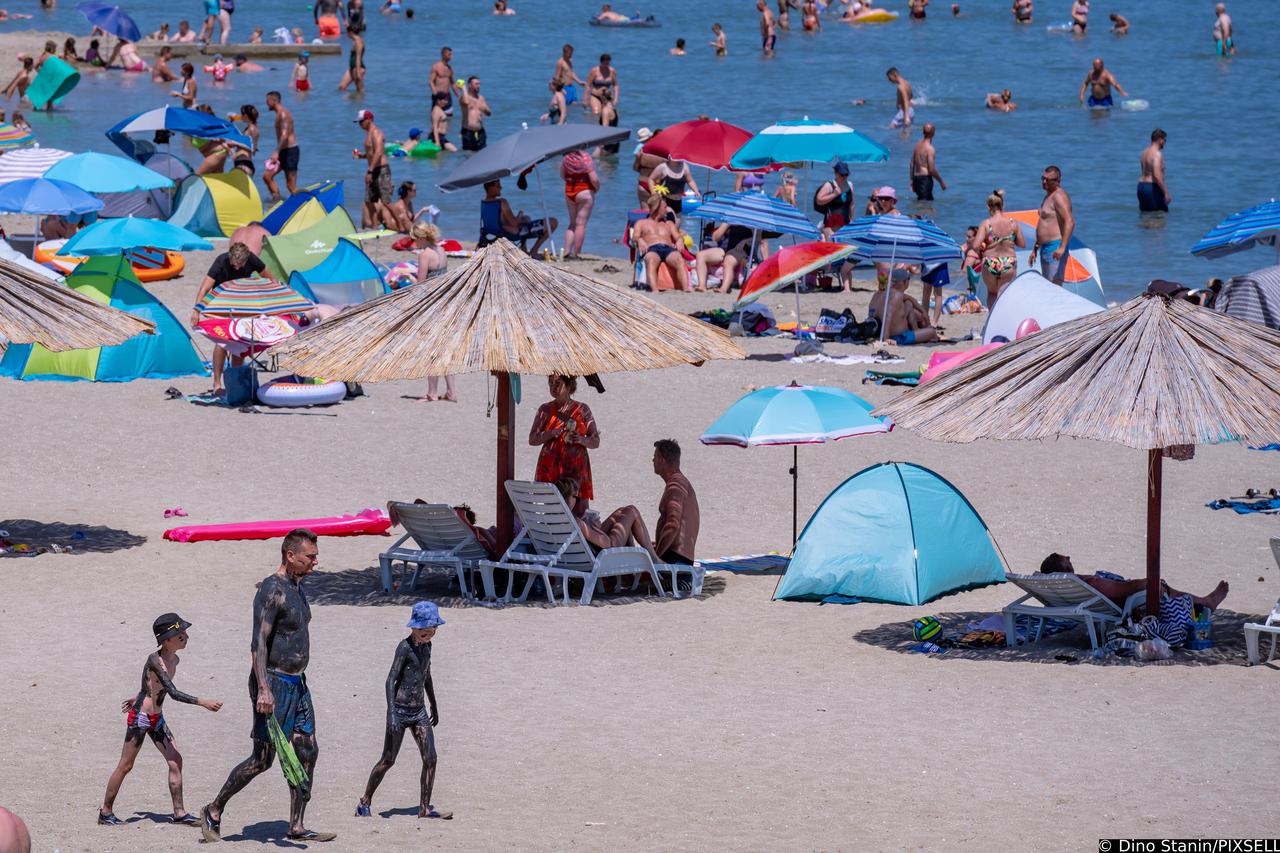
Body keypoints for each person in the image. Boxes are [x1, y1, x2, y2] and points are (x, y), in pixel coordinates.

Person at [201, 530, 336, 844]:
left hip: (298, 684)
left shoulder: (298, 587)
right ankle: (214, 809)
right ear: (290, 555)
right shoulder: (272, 590)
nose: (315, 561)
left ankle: (297, 825)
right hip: (272, 682)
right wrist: (263, 688)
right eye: (310, 557)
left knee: (307, 750)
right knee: (263, 759)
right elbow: (258, 643)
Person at [99, 614, 222, 827]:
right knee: (126, 765)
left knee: (176, 760)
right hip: (141, 718)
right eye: (180, 634)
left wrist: (139, 695)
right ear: (166, 641)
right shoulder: (155, 660)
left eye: (184, 632)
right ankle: (105, 812)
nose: (185, 636)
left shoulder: (175, 659)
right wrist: (202, 701)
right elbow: (172, 693)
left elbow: (150, 685)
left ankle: (179, 813)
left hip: (156, 718)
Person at [355, 602, 451, 821]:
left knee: (431, 758)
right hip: (399, 710)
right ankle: (365, 801)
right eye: (424, 629)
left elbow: (426, 675)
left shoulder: (427, 647)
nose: (429, 632)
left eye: (432, 628)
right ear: (414, 627)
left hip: (418, 711)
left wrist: (434, 703)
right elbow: (390, 680)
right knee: (388, 759)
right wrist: (391, 714)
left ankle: (424, 808)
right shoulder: (404, 647)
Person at [191, 242, 269, 393]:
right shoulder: (221, 261)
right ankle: (217, 383)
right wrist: (196, 310)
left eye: (241, 265)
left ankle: (235, 381)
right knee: (222, 342)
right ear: (230, 257)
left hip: (241, 301)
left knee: (238, 342)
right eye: (234, 264)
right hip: (220, 302)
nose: (237, 268)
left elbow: (269, 279)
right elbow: (205, 288)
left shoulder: (252, 260)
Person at [1038, 553, 1229, 611]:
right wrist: (1147, 583)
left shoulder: (1061, 587)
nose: (1071, 556)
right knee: (1160, 587)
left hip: (1084, 605)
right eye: (1066, 559)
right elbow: (1121, 589)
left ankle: (1199, 604)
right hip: (1120, 604)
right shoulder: (1088, 582)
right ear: (1066, 569)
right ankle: (1205, 602)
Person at [553, 477, 661, 565]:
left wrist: (589, 527)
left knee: (620, 512)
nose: (577, 501)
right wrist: (595, 528)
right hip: (603, 557)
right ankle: (654, 559)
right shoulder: (576, 522)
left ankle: (632, 573)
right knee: (631, 510)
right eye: (576, 497)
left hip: (575, 556)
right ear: (568, 497)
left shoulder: (552, 521)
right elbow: (608, 544)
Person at [532, 376, 600, 512]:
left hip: (576, 468)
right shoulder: (545, 410)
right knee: (551, 510)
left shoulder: (582, 409)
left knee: (580, 510)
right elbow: (533, 439)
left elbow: (595, 441)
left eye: (558, 383)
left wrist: (581, 439)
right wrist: (550, 433)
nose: (553, 387)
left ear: (569, 386)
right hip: (551, 468)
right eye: (550, 383)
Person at [967, 188, 1024, 309]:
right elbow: (1022, 243)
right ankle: (1002, 320)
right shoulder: (1013, 223)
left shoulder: (986, 224)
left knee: (992, 293)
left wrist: (984, 245)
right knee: (1004, 295)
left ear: (988, 206)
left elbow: (975, 245)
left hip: (990, 262)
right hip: (1008, 262)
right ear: (1003, 205)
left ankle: (991, 321)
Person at [652, 439, 699, 566]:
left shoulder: (676, 486)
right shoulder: (680, 483)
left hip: (675, 560)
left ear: (662, 460)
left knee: (631, 514)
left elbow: (673, 524)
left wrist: (656, 556)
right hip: (680, 558)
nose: (652, 461)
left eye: (654, 457)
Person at [481, 179, 557, 255]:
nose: (501, 187)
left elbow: (499, 222)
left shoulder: (484, 203)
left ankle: (524, 249)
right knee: (553, 222)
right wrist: (521, 219)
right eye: (498, 185)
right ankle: (534, 250)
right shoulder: (501, 202)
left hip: (495, 234)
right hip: (512, 234)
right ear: (490, 188)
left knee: (526, 219)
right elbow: (514, 223)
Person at [634, 194, 689, 291]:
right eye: (664, 207)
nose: (667, 209)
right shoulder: (641, 223)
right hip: (651, 249)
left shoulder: (669, 224)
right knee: (652, 260)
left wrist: (680, 240)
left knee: (679, 259)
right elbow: (635, 237)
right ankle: (655, 290)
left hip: (668, 249)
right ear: (657, 208)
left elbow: (677, 236)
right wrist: (639, 239)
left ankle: (686, 289)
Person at [353, 109, 395, 231]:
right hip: (374, 169)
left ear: (369, 120)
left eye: (361, 122)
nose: (360, 125)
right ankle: (375, 227)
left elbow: (379, 152)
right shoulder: (369, 134)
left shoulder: (376, 133)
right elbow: (372, 153)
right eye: (358, 122)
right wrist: (362, 156)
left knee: (386, 201)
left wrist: (370, 171)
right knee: (369, 201)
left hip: (381, 170)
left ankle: (402, 227)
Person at [1032, 165, 1074, 284]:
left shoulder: (1059, 196)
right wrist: (1035, 248)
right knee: (1048, 286)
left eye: (1048, 180)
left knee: (1054, 287)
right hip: (1045, 248)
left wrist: (1062, 247)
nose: (1044, 182)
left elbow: (1070, 221)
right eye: (1043, 178)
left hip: (1055, 247)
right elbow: (1045, 223)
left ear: (1058, 181)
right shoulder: (1048, 196)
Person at [561, 149, 598, 259]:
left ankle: (566, 251)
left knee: (572, 223)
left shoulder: (566, 158)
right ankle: (577, 253)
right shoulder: (585, 157)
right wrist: (597, 188)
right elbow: (594, 179)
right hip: (584, 191)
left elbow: (562, 175)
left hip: (570, 191)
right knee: (581, 224)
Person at [696, 221, 752, 294]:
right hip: (725, 248)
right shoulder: (731, 217)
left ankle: (724, 288)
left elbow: (761, 241)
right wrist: (726, 225)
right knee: (700, 255)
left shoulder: (752, 218)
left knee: (728, 260)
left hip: (742, 249)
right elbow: (715, 238)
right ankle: (702, 286)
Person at [266, 90, 300, 201]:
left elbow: (285, 135)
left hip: (291, 151)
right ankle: (278, 201)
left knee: (291, 185)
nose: (266, 103)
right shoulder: (278, 114)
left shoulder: (284, 113)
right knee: (267, 176)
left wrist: (276, 151)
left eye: (268, 100)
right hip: (283, 152)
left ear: (274, 100)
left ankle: (303, 204)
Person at [814, 162, 855, 238]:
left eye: (846, 175)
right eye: (842, 175)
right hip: (830, 225)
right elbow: (819, 200)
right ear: (835, 173)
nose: (844, 177)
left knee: (846, 247)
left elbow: (852, 204)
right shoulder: (829, 185)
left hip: (845, 223)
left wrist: (852, 220)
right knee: (833, 246)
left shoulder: (850, 185)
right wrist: (834, 194)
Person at [909, 123, 947, 201]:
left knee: (923, 203)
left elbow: (912, 164)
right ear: (933, 133)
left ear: (923, 132)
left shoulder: (917, 145)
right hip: (925, 180)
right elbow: (931, 169)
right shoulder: (930, 149)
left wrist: (912, 181)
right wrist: (941, 181)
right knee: (924, 205)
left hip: (916, 178)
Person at [1136, 128, 1170, 213]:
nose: (1165, 142)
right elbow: (1157, 176)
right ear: (1159, 140)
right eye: (1164, 140)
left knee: (1145, 216)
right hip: (1152, 188)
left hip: (1141, 187)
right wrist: (1166, 193)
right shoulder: (1157, 154)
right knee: (1159, 217)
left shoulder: (1144, 152)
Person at [455, 76, 490, 152]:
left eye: (479, 84)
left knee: (483, 154)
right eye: (476, 84)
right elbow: (466, 102)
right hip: (468, 132)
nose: (479, 86)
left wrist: (486, 109)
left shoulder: (481, 98)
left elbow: (489, 113)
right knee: (468, 155)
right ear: (470, 85)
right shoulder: (463, 98)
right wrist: (463, 88)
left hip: (480, 132)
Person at [632, 127, 664, 205]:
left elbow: (635, 168)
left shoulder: (641, 152)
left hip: (643, 183)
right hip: (657, 186)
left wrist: (638, 159)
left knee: (645, 212)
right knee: (658, 213)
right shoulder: (663, 154)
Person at [553, 44, 586, 111]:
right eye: (570, 54)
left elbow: (571, 73)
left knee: (574, 106)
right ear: (565, 52)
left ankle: (573, 119)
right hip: (564, 88)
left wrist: (579, 81)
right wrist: (560, 89)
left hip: (571, 87)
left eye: (572, 53)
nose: (571, 55)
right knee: (565, 107)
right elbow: (556, 77)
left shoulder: (569, 61)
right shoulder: (560, 62)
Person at [337, 27, 366, 94]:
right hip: (352, 68)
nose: (347, 35)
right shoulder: (355, 41)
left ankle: (361, 104)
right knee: (341, 87)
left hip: (358, 68)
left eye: (347, 32)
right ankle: (350, 103)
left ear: (351, 32)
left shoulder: (358, 41)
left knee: (360, 90)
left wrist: (358, 73)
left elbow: (358, 57)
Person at [429, 47, 454, 115]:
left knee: (449, 118)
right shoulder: (436, 66)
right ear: (443, 54)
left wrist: (459, 95)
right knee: (436, 117)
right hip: (438, 95)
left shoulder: (450, 68)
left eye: (451, 54)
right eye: (449, 54)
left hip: (447, 96)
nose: (451, 56)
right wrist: (435, 94)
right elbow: (431, 82)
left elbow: (452, 83)